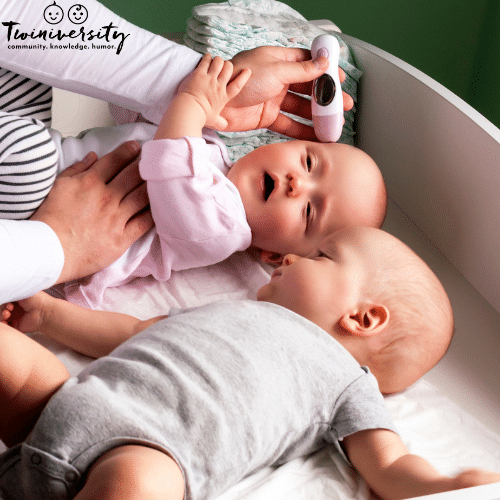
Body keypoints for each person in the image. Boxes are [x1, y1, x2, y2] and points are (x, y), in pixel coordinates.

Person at [1, 226, 499, 500]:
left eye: (320, 257)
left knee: (138, 491)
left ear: (363, 318)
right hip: (64, 402)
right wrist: (49, 314)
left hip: (147, 455)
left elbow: (386, 463)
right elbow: (129, 334)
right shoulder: (231, 309)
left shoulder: (347, 382)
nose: (290, 258)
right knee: (12, 359)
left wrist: (442, 484)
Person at [0, 0, 342, 304]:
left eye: (309, 211)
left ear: (271, 254)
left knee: (31, 156)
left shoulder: (223, 231)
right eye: (309, 163)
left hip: (40, 204)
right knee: (23, 67)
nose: (297, 184)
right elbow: (125, 113)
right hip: (48, 162)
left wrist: (195, 100)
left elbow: (171, 167)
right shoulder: (211, 147)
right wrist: (209, 92)